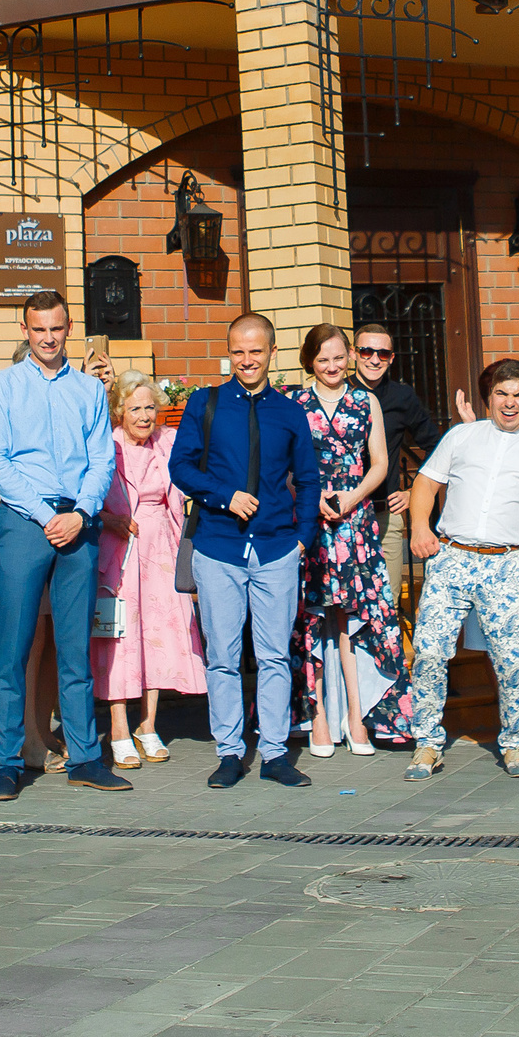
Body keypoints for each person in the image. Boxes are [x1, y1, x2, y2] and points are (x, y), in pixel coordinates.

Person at [0, 291, 129, 800]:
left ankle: (85, 757)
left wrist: (81, 513)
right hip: (26, 522)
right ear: (26, 330)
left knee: (74, 649)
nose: (48, 338)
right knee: (13, 648)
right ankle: (6, 762)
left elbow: (102, 459)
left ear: (69, 328)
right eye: (38, 329)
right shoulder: (1, 386)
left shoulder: (88, 391)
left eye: (57, 328)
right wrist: (48, 517)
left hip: (77, 522)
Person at [404, 359, 519, 779]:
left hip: (506, 564)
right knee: (429, 652)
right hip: (451, 558)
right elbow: (426, 485)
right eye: (502, 394)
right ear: (489, 398)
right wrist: (418, 528)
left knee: (514, 660)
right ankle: (427, 744)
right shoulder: (462, 437)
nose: (510, 403)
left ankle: (516, 745)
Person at [169, 311, 323, 790]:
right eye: (238, 351)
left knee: (275, 656)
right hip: (219, 547)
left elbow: (310, 480)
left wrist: (302, 538)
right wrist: (223, 495)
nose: (247, 360)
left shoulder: (290, 411)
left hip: (277, 549)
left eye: (256, 351)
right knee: (223, 656)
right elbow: (180, 467)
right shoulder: (205, 403)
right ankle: (230, 752)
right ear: (229, 352)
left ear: (272, 353)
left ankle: (275, 753)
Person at [282, 323, 413, 756]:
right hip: (312, 520)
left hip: (355, 521)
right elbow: (281, 465)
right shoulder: (294, 402)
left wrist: (353, 497)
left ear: (351, 357)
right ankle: (317, 718)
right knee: (314, 616)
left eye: (340, 357)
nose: (333, 366)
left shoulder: (365, 400)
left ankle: (357, 717)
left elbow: (379, 462)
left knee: (354, 618)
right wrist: (312, 496)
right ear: (309, 362)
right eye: (323, 359)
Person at [90, 370, 205, 767]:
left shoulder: (168, 443)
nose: (144, 415)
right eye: (135, 407)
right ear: (119, 411)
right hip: (118, 550)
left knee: (158, 635)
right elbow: (86, 497)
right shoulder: (106, 446)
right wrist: (109, 519)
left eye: (150, 407)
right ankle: (119, 726)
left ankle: (148, 724)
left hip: (160, 550)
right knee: (118, 637)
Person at [350, 321, 436, 634]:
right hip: (342, 519)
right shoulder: (340, 393)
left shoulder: (402, 396)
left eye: (382, 353)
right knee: (347, 606)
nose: (374, 359)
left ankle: (389, 679)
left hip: (384, 517)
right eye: (367, 351)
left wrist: (415, 491)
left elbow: (437, 448)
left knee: (386, 605)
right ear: (353, 353)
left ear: (392, 358)